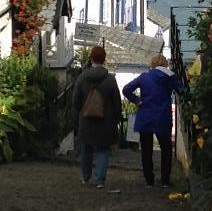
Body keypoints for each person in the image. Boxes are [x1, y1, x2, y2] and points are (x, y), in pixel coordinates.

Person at [123, 53, 181, 189]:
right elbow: (181, 90)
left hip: (145, 116)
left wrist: (137, 100)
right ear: (165, 64)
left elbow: (126, 89)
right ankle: (165, 180)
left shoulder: (144, 77)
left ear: (152, 65)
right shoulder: (169, 77)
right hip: (162, 116)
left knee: (146, 150)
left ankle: (149, 180)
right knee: (166, 149)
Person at [71, 45, 123, 190]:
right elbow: (117, 103)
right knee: (103, 150)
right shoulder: (110, 79)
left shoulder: (82, 77)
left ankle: (85, 177)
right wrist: (116, 118)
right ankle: (99, 179)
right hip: (105, 121)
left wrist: (81, 112)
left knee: (86, 148)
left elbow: (75, 100)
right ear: (104, 59)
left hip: (86, 119)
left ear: (91, 58)